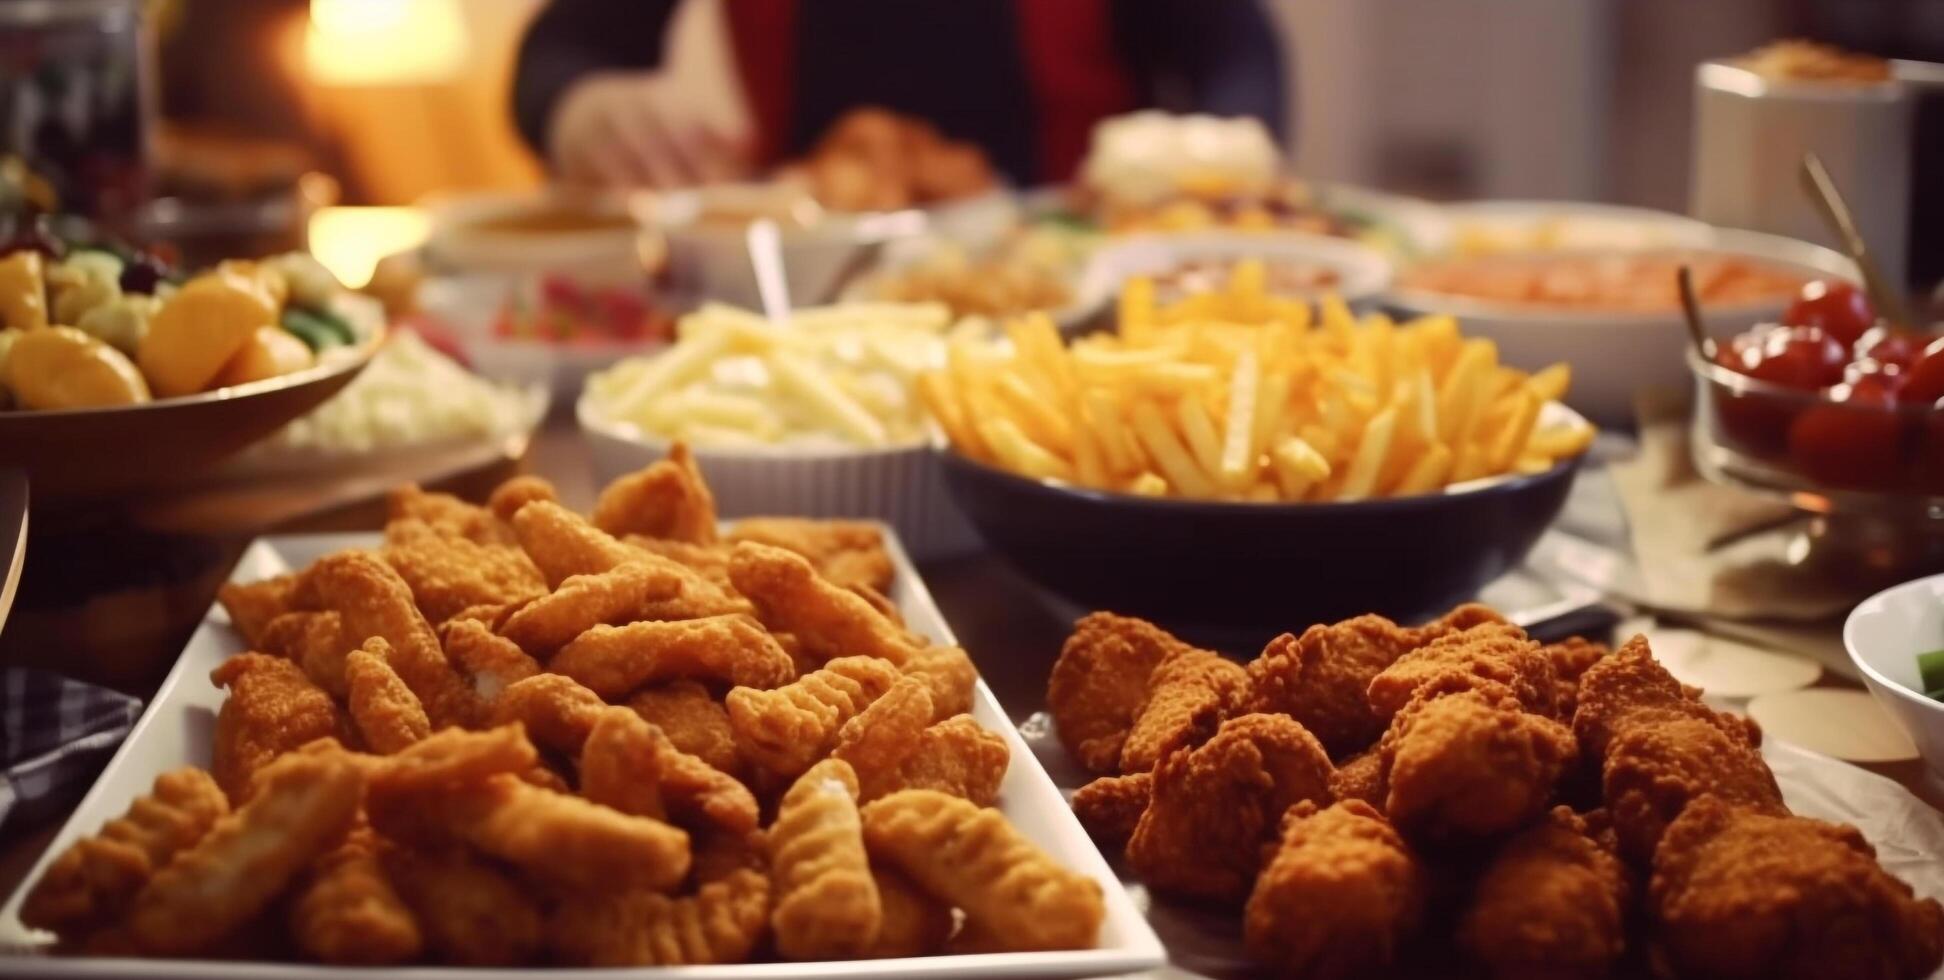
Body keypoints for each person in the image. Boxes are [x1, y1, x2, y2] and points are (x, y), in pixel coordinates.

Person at [513, 0, 1287, 190]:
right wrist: (580, 104)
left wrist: (1216, 156)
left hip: (1070, 286)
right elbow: (560, 49)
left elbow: (1234, 49)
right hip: (811, 293)